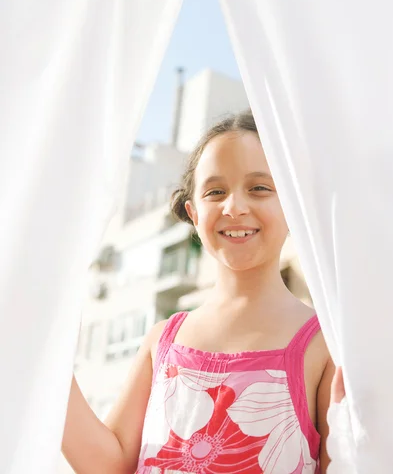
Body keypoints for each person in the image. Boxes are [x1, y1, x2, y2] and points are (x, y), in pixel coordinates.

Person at [62, 109, 336, 474]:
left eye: (259, 188)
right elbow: (109, 464)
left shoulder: (325, 345)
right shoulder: (162, 341)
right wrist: (54, 364)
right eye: (215, 191)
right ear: (193, 212)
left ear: (293, 204)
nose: (234, 206)